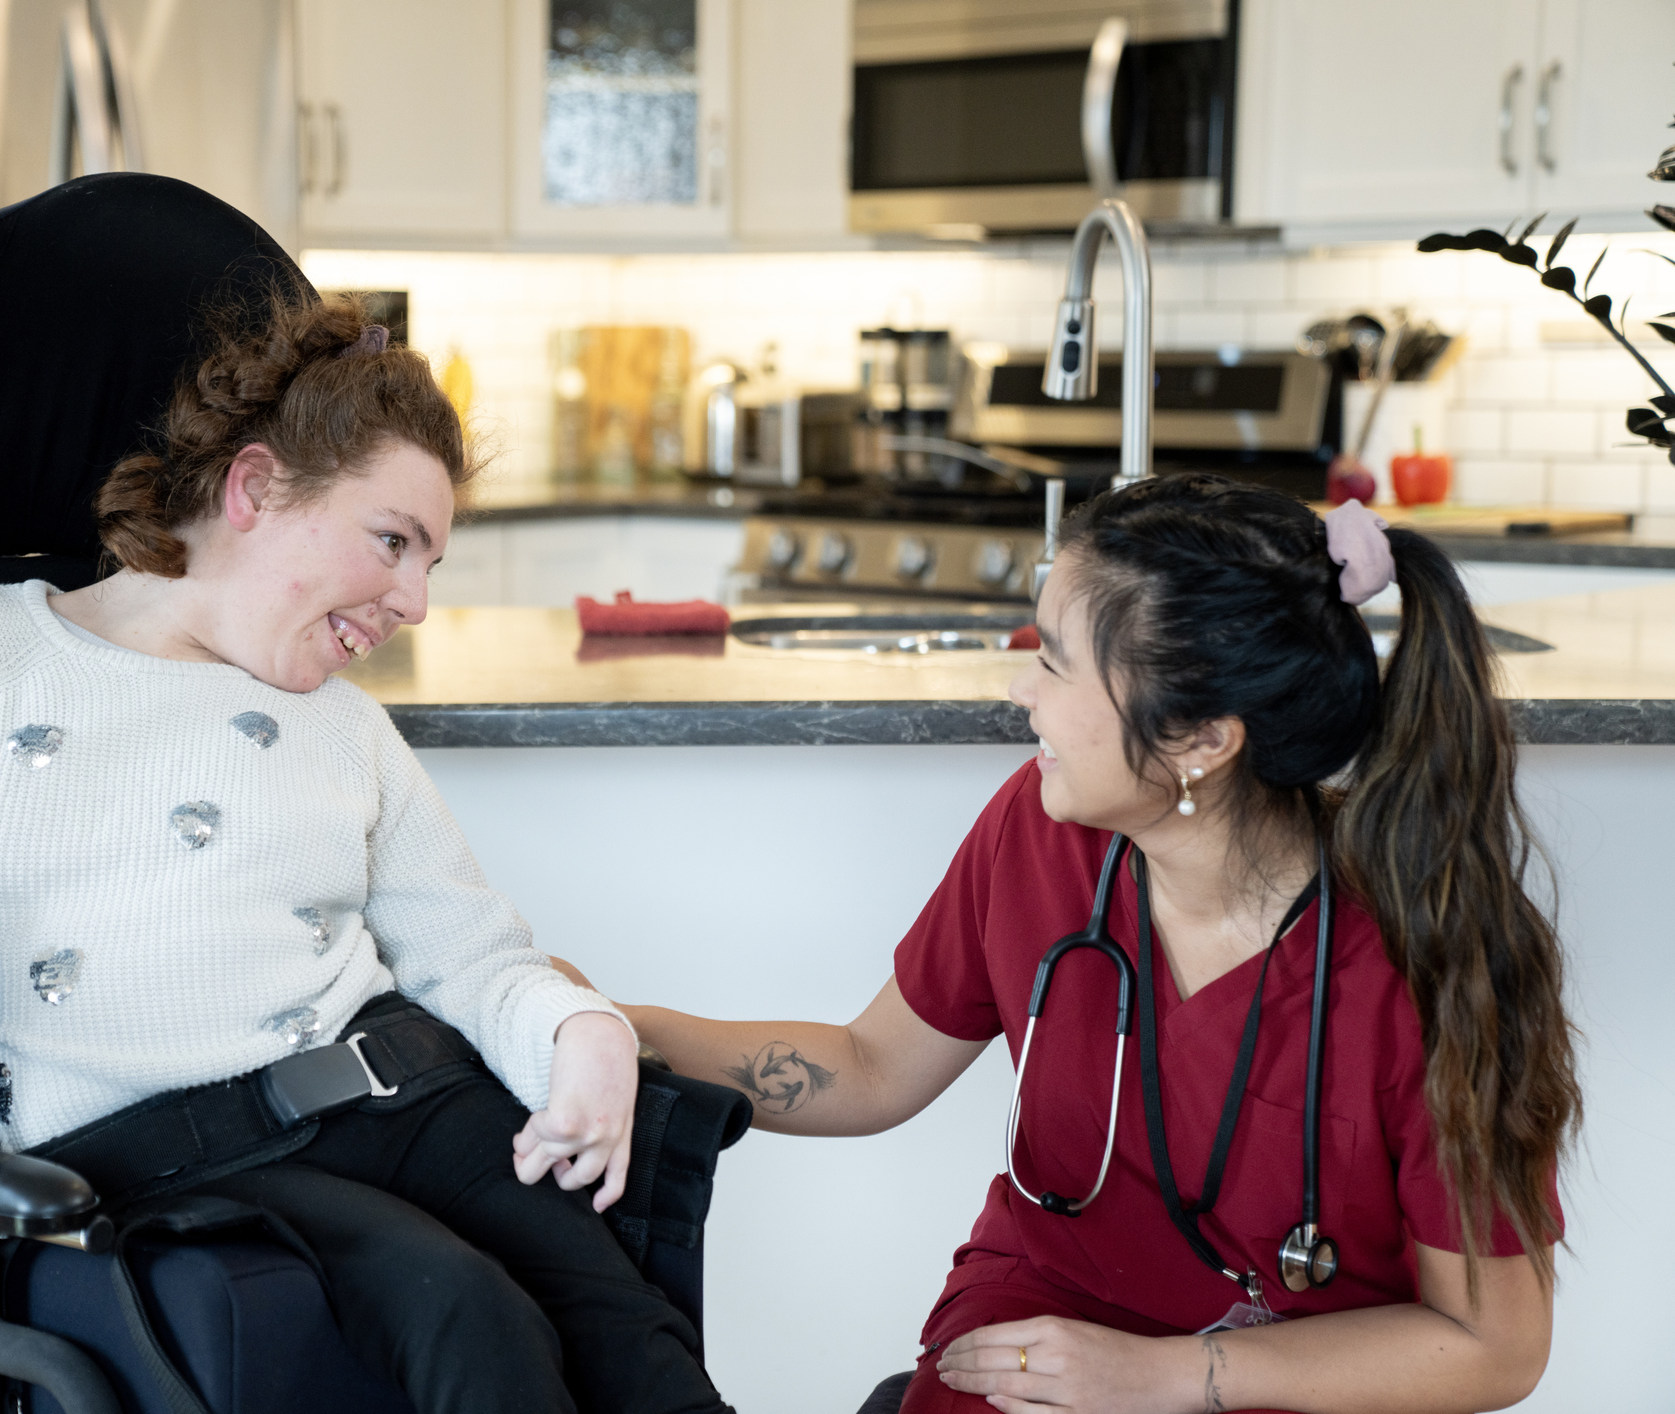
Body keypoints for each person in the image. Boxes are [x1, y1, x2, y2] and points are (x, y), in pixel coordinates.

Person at [0, 295, 734, 1414]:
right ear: (256, 488)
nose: (415, 601)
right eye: (393, 542)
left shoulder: (348, 727)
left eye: (431, 562)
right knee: (464, 1314)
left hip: (407, 1096)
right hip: (179, 1154)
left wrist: (576, 1029)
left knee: (634, 1339)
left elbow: (473, 957)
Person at [565, 474, 1578, 1414]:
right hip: (1043, 1324)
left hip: (1290, 1376)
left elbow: (1494, 1344)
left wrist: (1171, 1375)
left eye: (1054, 660)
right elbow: (871, 1067)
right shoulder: (1039, 833)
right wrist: (621, 1027)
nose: (1023, 692)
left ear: (1199, 740)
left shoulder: (1421, 959)